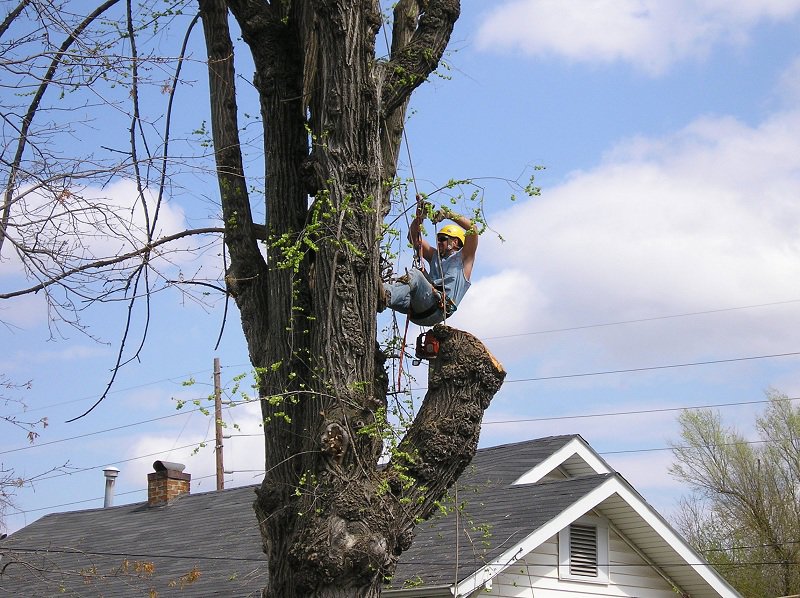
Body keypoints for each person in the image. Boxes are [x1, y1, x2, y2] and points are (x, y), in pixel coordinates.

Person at [383, 205, 478, 326]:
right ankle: (379, 295)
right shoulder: (435, 256)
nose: (438, 242)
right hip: (418, 310)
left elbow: (473, 230)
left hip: (437, 309)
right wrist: (419, 217)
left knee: (415, 275)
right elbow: (413, 239)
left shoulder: (464, 259)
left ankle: (386, 295)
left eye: (443, 239)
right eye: (437, 239)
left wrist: (448, 214)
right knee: (388, 287)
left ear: (455, 242)